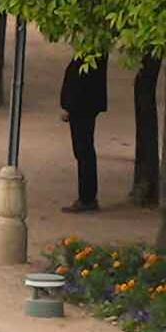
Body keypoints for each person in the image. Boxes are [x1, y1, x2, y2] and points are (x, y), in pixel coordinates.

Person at [60, 50, 110, 214]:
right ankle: (87, 196)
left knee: (83, 150)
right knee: (84, 150)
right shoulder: (91, 53)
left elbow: (78, 81)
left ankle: (87, 198)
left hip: (82, 106)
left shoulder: (89, 55)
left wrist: (69, 106)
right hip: (85, 105)